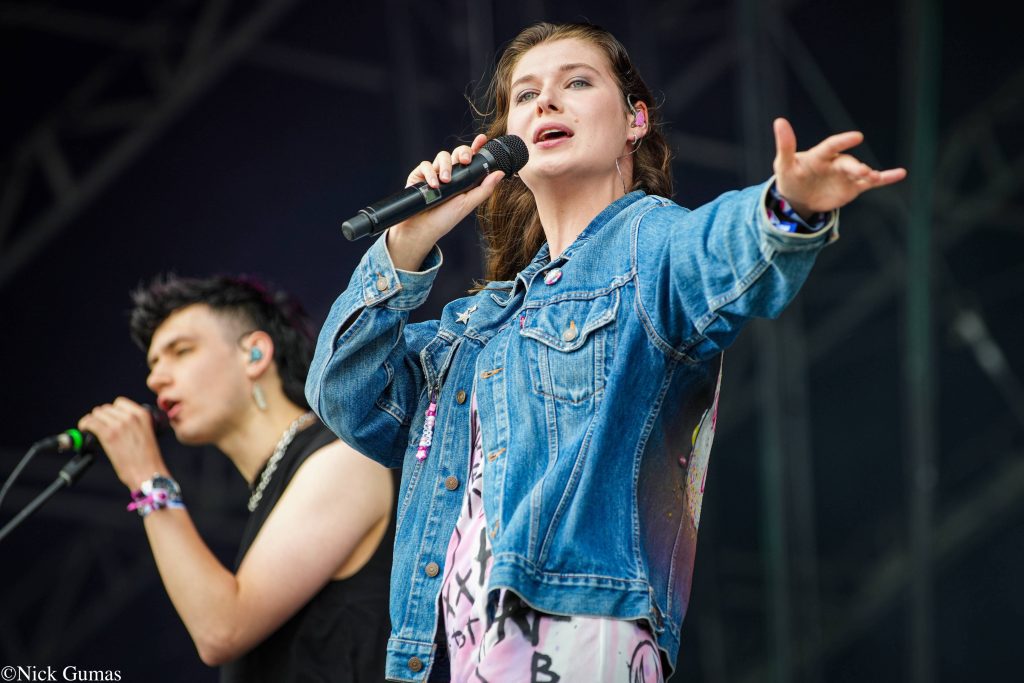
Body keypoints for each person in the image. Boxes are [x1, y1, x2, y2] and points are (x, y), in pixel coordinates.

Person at [306, 21, 906, 682]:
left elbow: (719, 252)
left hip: (575, 632)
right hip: (453, 655)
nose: (546, 102)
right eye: (526, 95)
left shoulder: (648, 244)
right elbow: (345, 392)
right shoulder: (477, 325)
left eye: (577, 83)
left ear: (634, 120)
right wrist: (407, 243)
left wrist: (788, 207)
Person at [78, 275, 395, 682]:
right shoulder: (274, 487)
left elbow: (221, 630)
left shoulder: (343, 458)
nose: (155, 379)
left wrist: (147, 478)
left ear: (254, 353)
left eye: (181, 351)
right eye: (153, 364)